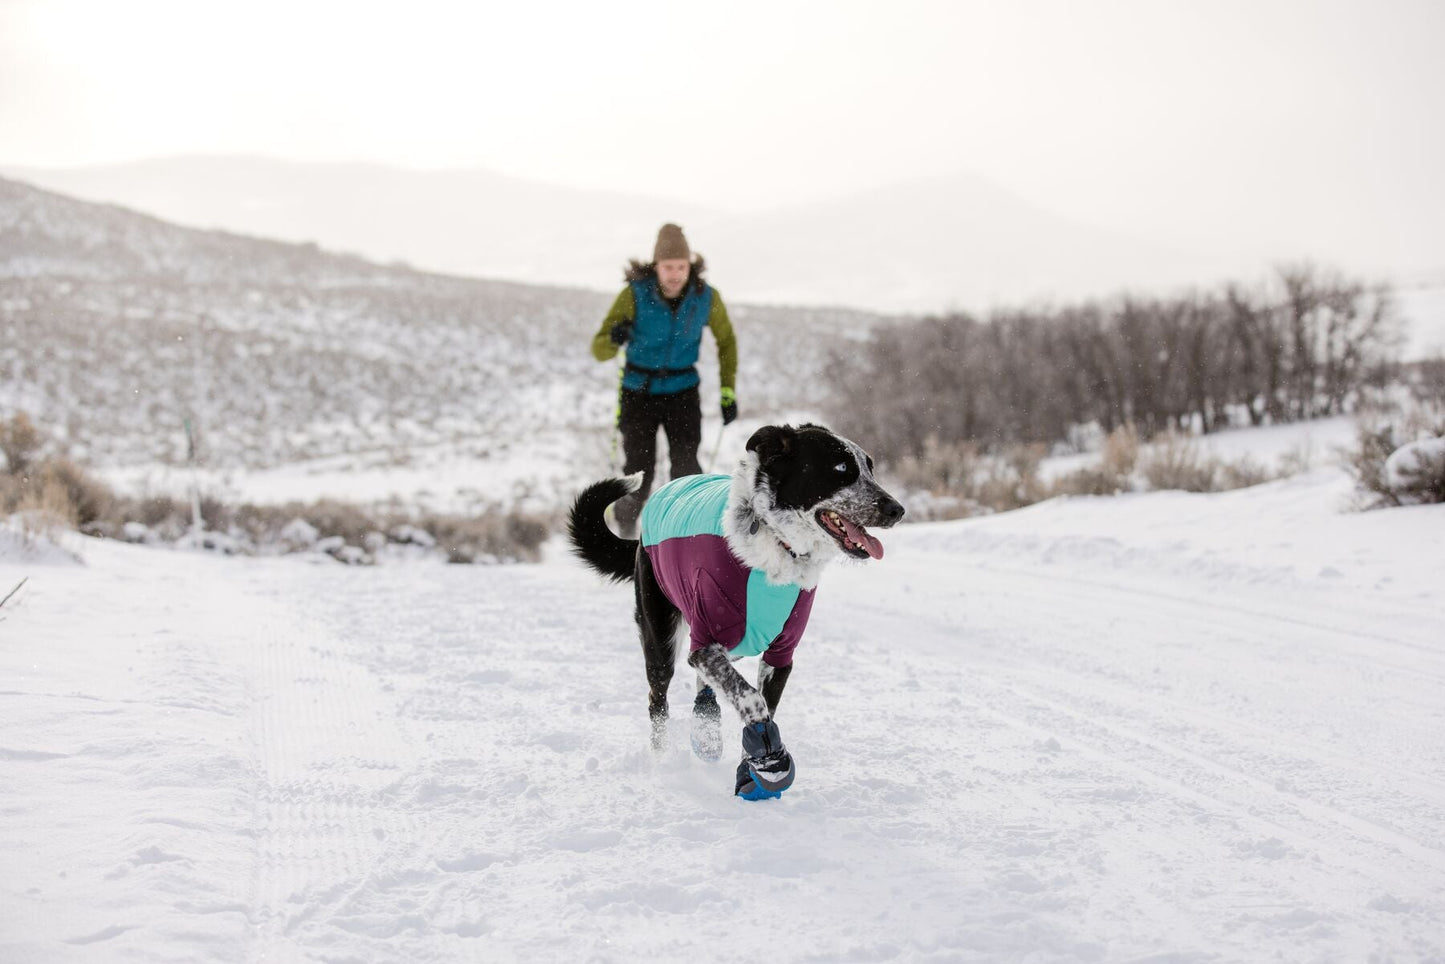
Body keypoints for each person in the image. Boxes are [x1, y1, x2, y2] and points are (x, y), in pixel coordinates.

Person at [591, 223, 738, 536]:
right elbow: (599, 349)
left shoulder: (706, 298)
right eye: (668, 266)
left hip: (683, 391)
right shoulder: (634, 294)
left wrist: (728, 391)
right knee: (638, 476)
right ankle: (626, 532)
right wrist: (615, 338)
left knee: (686, 471)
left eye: (681, 266)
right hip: (638, 392)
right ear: (655, 266)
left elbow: (727, 342)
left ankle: (683, 537)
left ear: (691, 265)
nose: (674, 274)